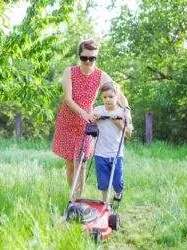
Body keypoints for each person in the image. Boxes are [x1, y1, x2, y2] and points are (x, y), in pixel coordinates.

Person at [52, 39, 131, 200]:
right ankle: (73, 195)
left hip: (86, 124)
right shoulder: (70, 72)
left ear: (96, 58)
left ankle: (76, 200)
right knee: (70, 164)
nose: (88, 62)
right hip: (68, 121)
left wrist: (127, 112)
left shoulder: (101, 75)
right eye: (84, 58)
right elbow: (68, 99)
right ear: (79, 56)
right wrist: (84, 113)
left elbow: (119, 95)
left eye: (92, 58)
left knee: (81, 163)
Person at [92, 83, 133, 202]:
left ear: (117, 97)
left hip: (116, 154)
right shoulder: (97, 110)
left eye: (110, 96)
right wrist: (94, 121)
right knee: (103, 182)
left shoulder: (122, 113)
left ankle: (118, 193)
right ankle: (105, 203)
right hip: (100, 153)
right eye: (104, 97)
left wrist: (118, 123)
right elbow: (90, 127)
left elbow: (129, 135)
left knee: (117, 183)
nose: (107, 100)